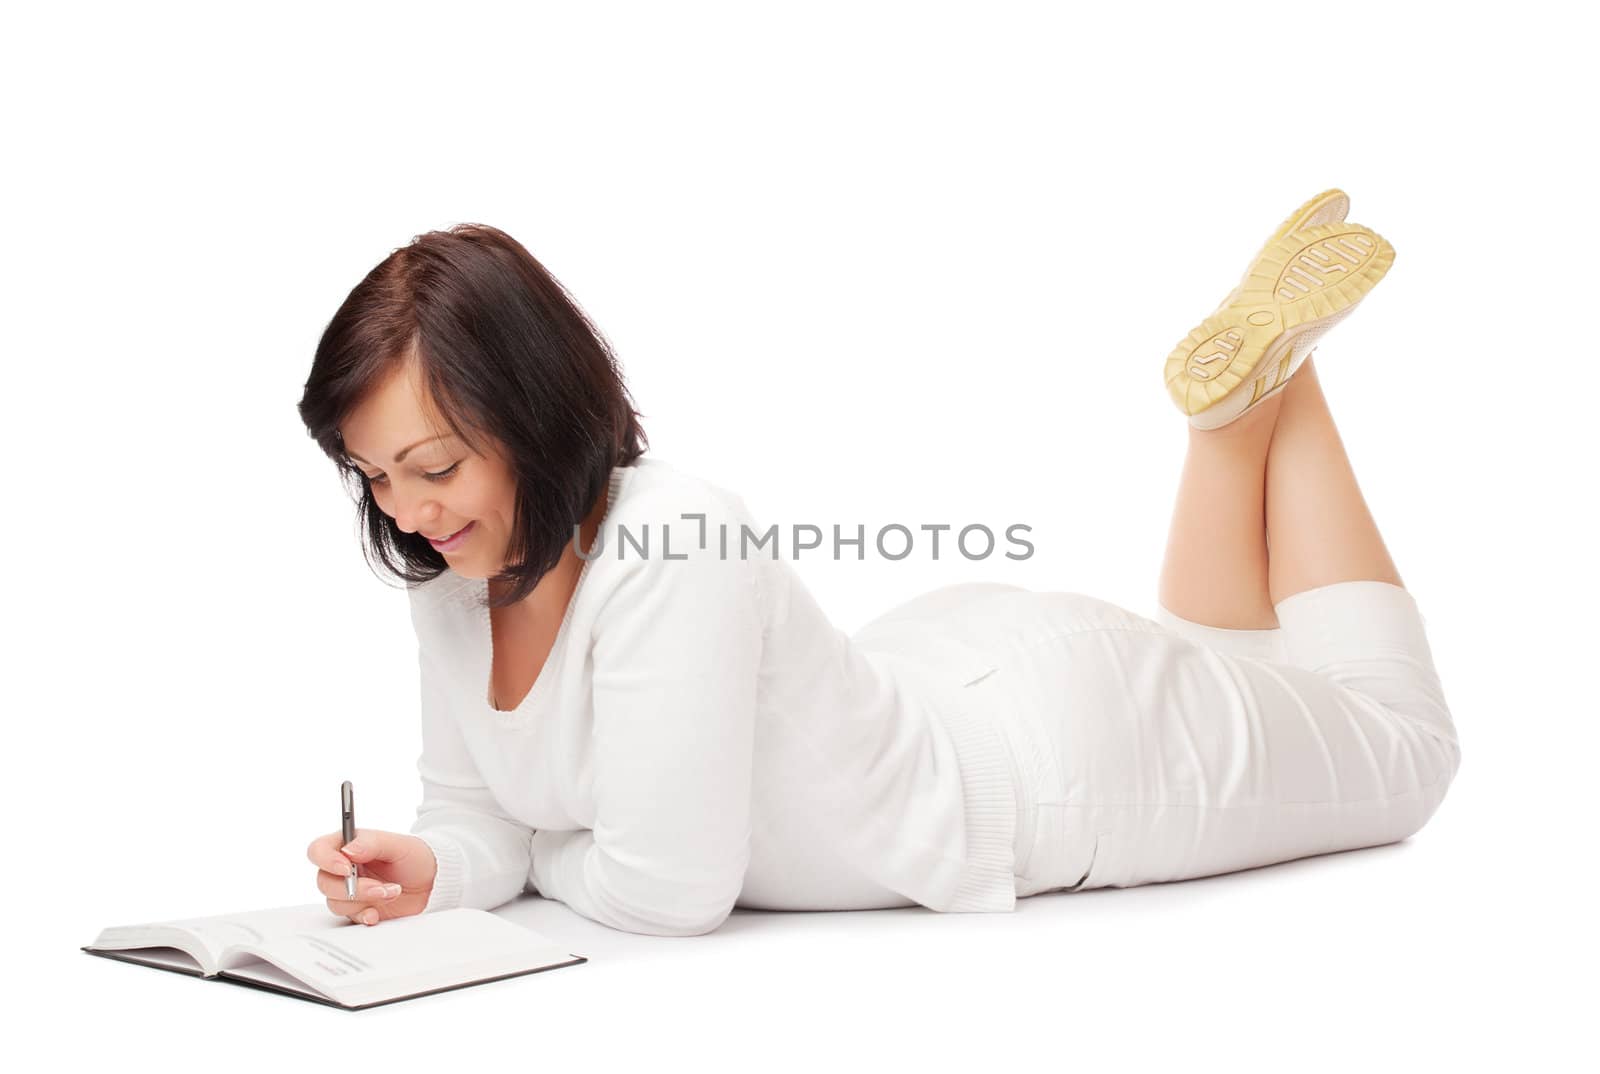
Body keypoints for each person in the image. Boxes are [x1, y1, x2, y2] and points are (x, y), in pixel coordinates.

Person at [297, 191, 1462, 937]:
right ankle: (1240, 404)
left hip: (1065, 769)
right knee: (1224, 662)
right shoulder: (453, 572)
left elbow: (666, 890)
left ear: (533, 409)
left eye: (435, 465)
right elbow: (476, 816)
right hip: (954, 681)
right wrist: (438, 867)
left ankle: (1284, 378)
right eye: (375, 476)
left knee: (1401, 748)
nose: (407, 511)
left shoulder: (665, 535)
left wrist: (525, 856)